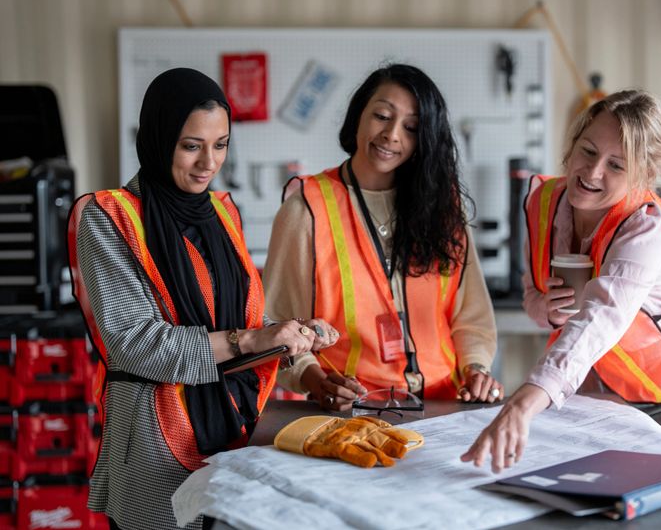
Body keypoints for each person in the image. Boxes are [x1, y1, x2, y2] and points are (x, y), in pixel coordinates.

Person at [68, 68, 337, 530]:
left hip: (237, 432)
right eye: (191, 145)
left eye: (221, 144)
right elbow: (135, 343)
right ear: (157, 138)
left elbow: (240, 319)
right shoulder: (109, 218)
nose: (208, 163)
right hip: (155, 448)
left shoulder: (222, 212)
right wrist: (252, 339)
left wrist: (293, 340)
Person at [462, 90, 661, 472]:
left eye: (616, 165)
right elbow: (533, 291)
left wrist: (522, 404)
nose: (593, 172)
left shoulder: (645, 229)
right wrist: (543, 307)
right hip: (605, 386)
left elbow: (597, 322)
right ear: (571, 146)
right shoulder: (541, 201)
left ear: (642, 176)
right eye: (588, 151)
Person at [263, 63, 503, 410]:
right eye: (381, 116)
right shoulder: (306, 210)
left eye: (411, 127)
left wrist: (477, 368)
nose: (392, 134)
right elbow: (274, 323)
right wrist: (312, 378)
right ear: (358, 115)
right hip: (352, 409)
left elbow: (472, 315)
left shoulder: (443, 209)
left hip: (443, 407)